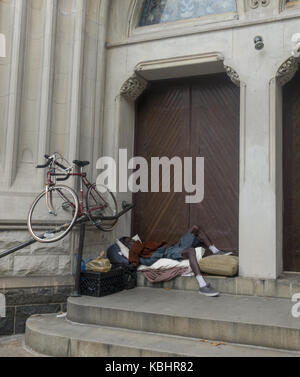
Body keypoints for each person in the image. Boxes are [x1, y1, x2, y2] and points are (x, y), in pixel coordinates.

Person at [120, 225, 232, 298]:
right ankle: (202, 285)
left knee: (195, 228)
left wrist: (164, 246)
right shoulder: (134, 252)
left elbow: (158, 246)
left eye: (131, 239)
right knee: (190, 251)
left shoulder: (142, 245)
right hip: (169, 253)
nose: (132, 241)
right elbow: (135, 264)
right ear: (126, 246)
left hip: (173, 247)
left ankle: (215, 251)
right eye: (129, 242)